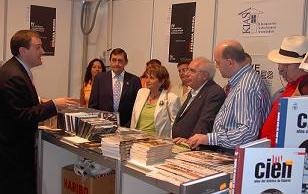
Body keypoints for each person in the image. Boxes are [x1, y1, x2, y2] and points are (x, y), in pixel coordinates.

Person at [0, 30, 78, 193]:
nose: (43, 52)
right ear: (23, 51)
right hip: (13, 155)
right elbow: (22, 115)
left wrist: (40, 101)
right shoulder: (14, 75)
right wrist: (53, 105)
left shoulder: (15, 70)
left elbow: (19, 103)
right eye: (38, 47)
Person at [185, 40, 271, 151]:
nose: (216, 66)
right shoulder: (242, 81)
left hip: (234, 154)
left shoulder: (245, 87)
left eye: (218, 62)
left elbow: (247, 133)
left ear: (230, 62)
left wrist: (209, 139)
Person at [260, 35, 308, 147]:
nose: (280, 69)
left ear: (301, 65)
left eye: (286, 64)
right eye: (280, 63)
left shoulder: (304, 88)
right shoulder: (293, 84)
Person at [172, 57, 226, 141]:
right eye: (188, 70)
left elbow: (206, 123)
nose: (186, 74)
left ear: (204, 76)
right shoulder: (194, 90)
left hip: (194, 148)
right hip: (181, 144)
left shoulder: (214, 92)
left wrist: (190, 141)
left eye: (192, 71)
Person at [89, 48, 141, 127]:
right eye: (114, 60)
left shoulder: (134, 80)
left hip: (126, 127)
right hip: (102, 125)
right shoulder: (100, 79)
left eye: (120, 61)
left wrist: (129, 125)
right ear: (110, 61)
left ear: (126, 62)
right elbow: (93, 105)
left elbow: (137, 107)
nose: (116, 64)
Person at [131, 64, 181, 138]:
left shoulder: (171, 98)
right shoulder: (141, 92)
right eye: (146, 77)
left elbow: (176, 125)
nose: (147, 81)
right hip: (137, 140)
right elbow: (133, 118)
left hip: (157, 143)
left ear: (162, 81)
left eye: (151, 78)